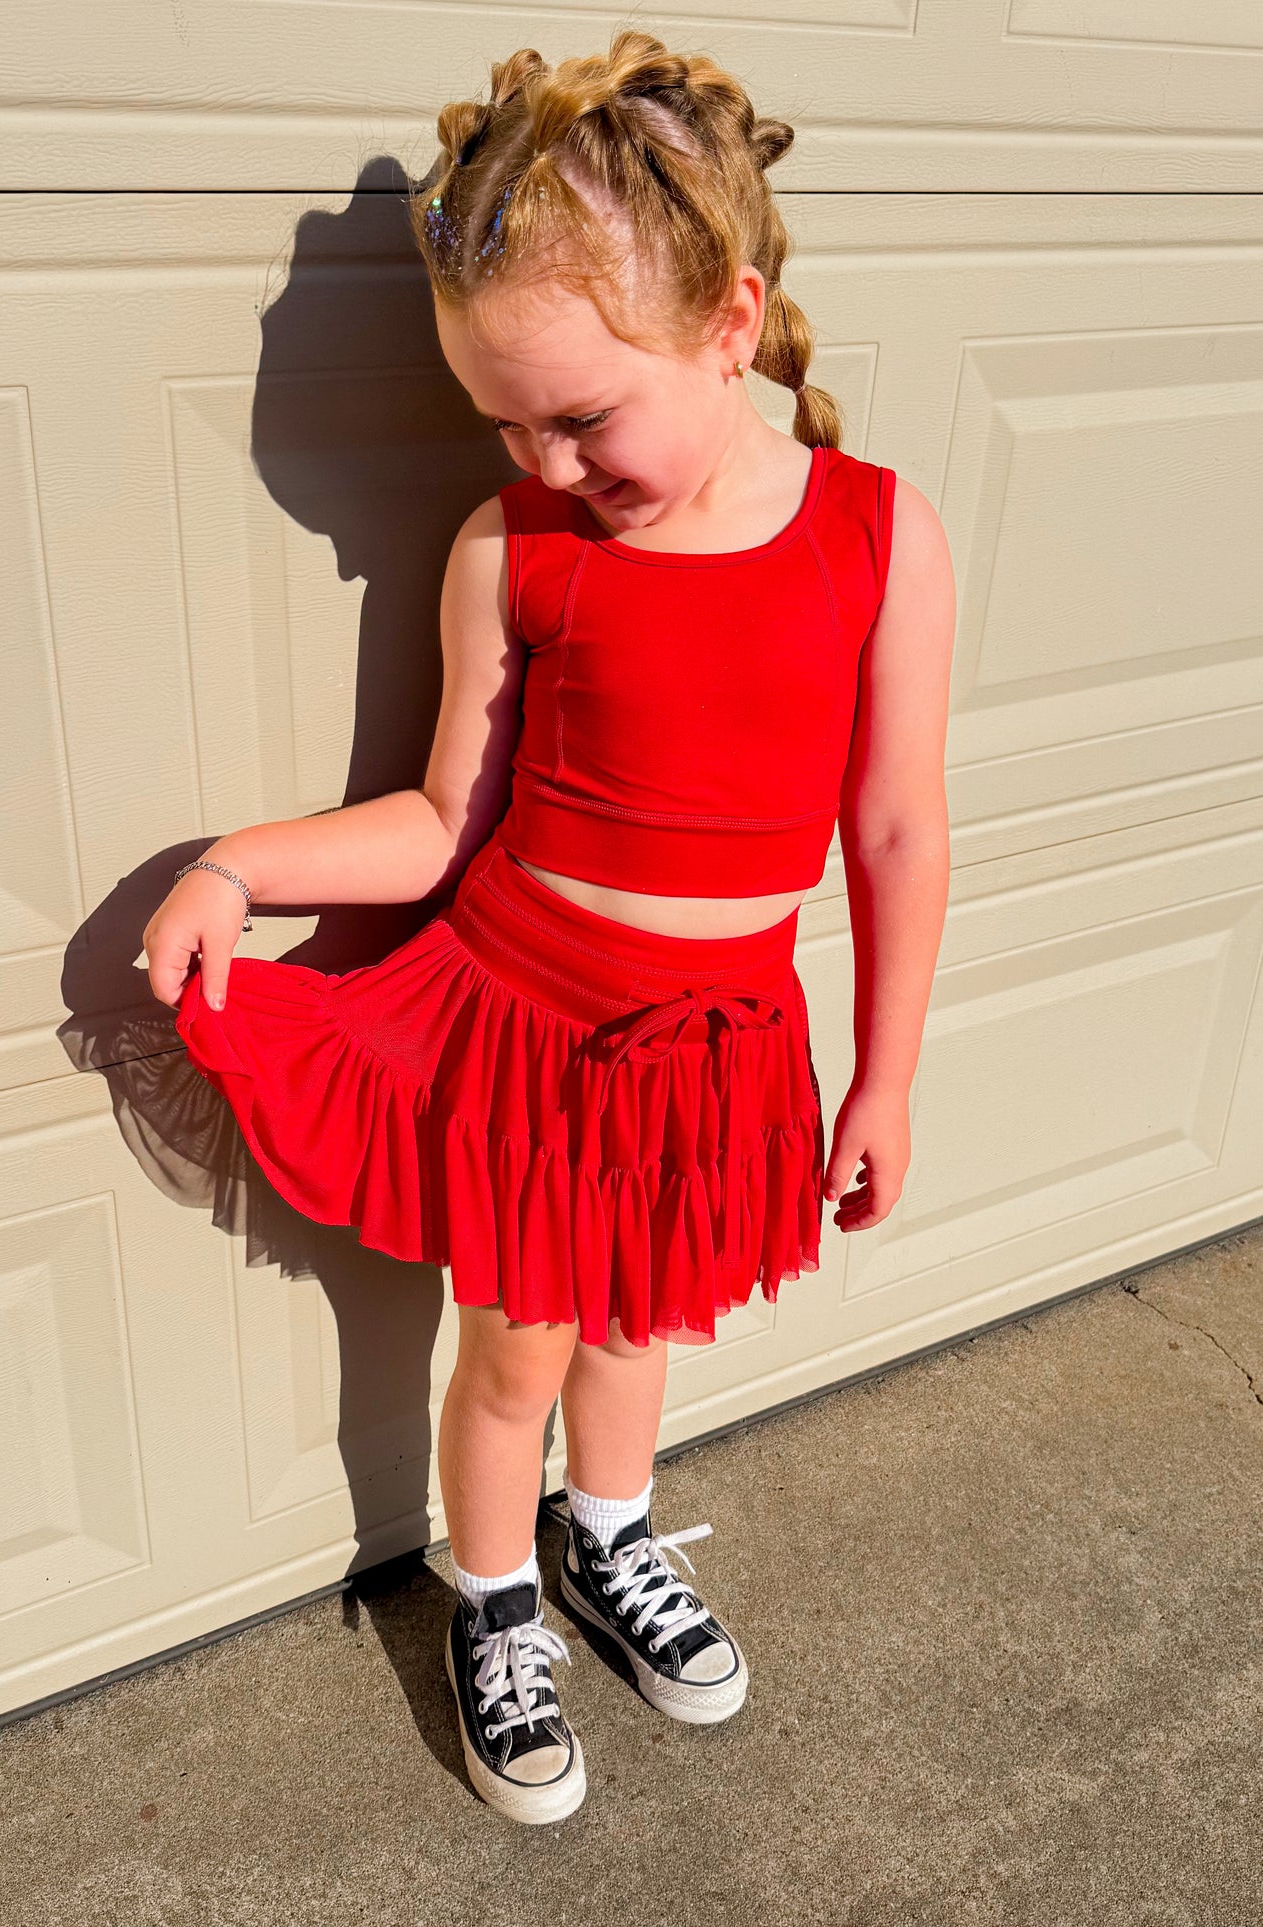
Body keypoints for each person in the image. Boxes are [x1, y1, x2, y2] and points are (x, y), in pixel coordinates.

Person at [143, 27, 954, 1827]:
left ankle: (609, 1537)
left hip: (725, 1046)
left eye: (579, 414)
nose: (542, 456)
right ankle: (493, 1593)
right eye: (503, 422)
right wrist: (236, 863)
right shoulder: (515, 550)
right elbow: (441, 822)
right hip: (527, 1029)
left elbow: (894, 823)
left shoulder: (875, 539)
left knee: (641, 1321)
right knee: (512, 1345)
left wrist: (884, 1075)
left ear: (729, 326)